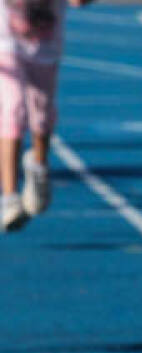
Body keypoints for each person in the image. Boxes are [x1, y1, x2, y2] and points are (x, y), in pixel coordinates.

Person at [0, 0, 94, 232]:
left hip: (45, 45)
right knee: (13, 108)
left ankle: (38, 166)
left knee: (41, 115)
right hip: (7, 41)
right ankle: (10, 197)